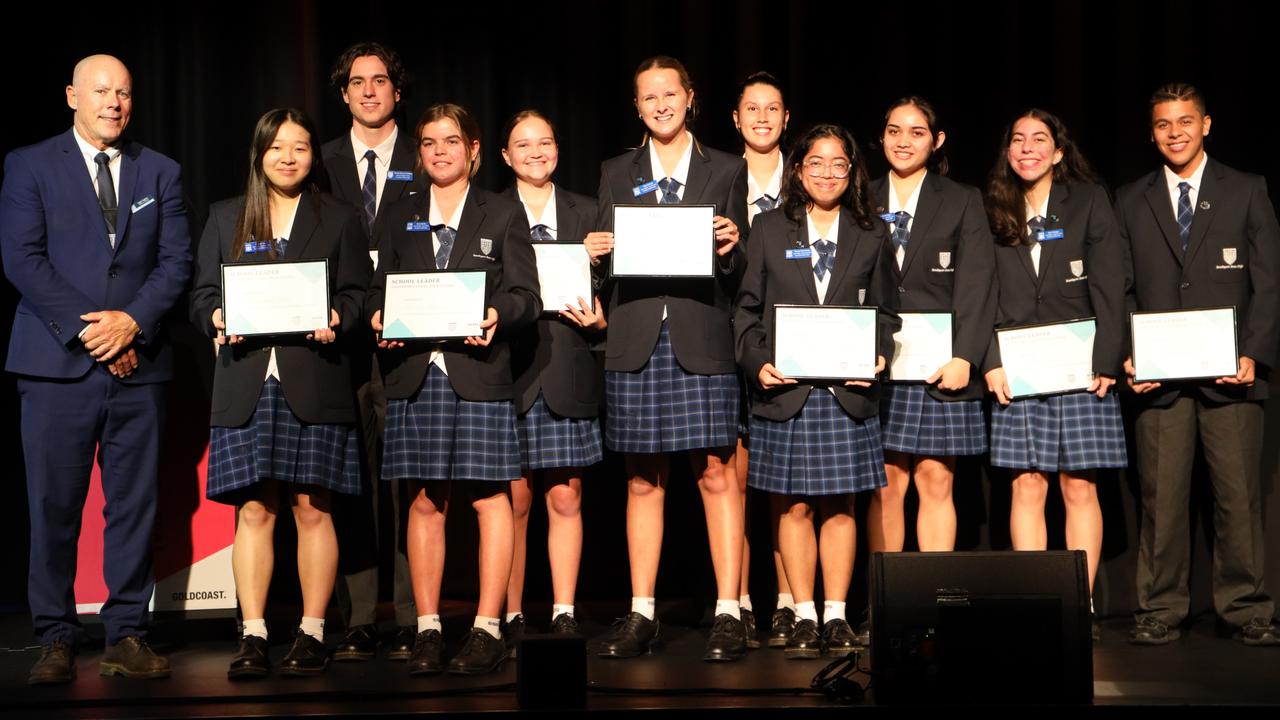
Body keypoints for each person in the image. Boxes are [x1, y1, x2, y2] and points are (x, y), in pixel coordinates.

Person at [2, 54, 190, 685]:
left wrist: (131, 323)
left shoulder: (160, 170)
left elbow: (175, 263)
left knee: (134, 506)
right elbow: (24, 261)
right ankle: (56, 636)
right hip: (56, 367)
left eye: (125, 93)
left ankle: (127, 634)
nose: (115, 102)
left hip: (140, 366)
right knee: (53, 505)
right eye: (102, 91)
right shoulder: (29, 165)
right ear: (72, 97)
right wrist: (97, 331)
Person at [191, 108, 370, 678]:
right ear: (260, 153)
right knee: (253, 509)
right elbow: (199, 296)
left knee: (313, 508)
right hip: (245, 379)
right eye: (277, 148)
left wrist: (337, 315)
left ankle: (313, 631)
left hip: (315, 375)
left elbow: (358, 292)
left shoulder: (338, 217)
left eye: (299, 147)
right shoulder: (225, 216)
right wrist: (217, 314)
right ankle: (253, 633)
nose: (288, 157)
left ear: (313, 157)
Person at [584, 55, 749, 662]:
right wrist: (592, 252)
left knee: (715, 472)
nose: (660, 104)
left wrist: (732, 247)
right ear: (637, 106)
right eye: (648, 96)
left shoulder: (725, 169)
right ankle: (641, 612)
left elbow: (740, 264)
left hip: (699, 337)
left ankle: (729, 610)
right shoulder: (614, 171)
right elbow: (602, 257)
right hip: (635, 339)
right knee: (642, 479)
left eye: (669, 94)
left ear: (690, 97)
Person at [368, 103, 541, 676]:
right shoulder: (401, 213)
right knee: (424, 500)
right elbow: (377, 292)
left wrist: (496, 311)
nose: (439, 151)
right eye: (428, 143)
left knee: (491, 498)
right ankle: (428, 628)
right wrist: (378, 318)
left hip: (479, 372)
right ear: (419, 153)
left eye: (451, 141)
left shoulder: (503, 211)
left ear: (472, 149)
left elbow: (527, 296)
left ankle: (489, 626)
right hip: (417, 374)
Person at [1116, 83, 1280, 646]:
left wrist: (1253, 350)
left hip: (1231, 374)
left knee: (1237, 496)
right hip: (1159, 376)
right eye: (1164, 123)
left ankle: (1248, 608)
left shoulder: (1247, 190)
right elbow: (1122, 287)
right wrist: (1129, 352)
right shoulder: (1130, 198)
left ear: (1206, 124)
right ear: (1151, 131)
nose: (1176, 132)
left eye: (1186, 121)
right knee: (1161, 500)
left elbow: (1269, 281)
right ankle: (1160, 608)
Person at [735, 123, 899, 659]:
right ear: (798, 170)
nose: (827, 173)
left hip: (847, 395)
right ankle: (803, 613)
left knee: (842, 506)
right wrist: (758, 363)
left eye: (839, 164)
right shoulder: (766, 229)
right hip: (787, 393)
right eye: (816, 162)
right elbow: (746, 312)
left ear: (851, 173)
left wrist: (877, 353)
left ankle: (836, 615)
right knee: (795, 509)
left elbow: (887, 313)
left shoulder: (872, 232)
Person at [982, 109, 1127, 634]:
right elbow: (980, 293)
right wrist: (990, 361)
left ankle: (1076, 603)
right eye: (1017, 139)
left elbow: (1112, 284)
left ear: (1059, 152)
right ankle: (1036, 601)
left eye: (1039, 140)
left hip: (1080, 366)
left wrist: (1108, 358)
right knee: (1026, 484)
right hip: (1016, 368)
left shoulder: (1088, 202)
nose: (1026, 148)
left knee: (1079, 486)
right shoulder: (992, 206)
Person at [863, 97, 996, 640]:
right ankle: (886, 605)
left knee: (936, 479)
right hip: (876, 363)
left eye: (917, 132)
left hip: (943, 363)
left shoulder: (962, 200)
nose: (903, 141)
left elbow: (979, 282)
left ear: (936, 141)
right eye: (894, 130)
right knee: (887, 484)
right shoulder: (860, 196)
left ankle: (935, 606)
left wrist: (966, 354)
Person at [320, 40, 419, 663]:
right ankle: (357, 617)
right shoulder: (317, 159)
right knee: (351, 479)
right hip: (341, 344)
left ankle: (414, 614)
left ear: (397, 92)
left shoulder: (430, 151)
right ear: (344, 93)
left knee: (409, 481)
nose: (369, 91)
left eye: (380, 80)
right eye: (357, 82)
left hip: (413, 341)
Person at [500, 109, 604, 650]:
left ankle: (564, 609)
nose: (536, 152)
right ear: (505, 156)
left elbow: (615, 293)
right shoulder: (490, 213)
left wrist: (603, 319)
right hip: (509, 369)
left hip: (568, 365)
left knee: (566, 497)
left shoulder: (589, 212)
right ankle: (512, 611)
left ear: (558, 150)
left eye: (545, 142)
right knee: (513, 500)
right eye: (523, 144)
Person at [732, 71, 795, 649]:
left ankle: (787, 601)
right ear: (735, 118)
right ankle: (743, 599)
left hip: (797, 349)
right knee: (738, 476)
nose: (761, 117)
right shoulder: (718, 179)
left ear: (785, 118)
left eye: (771, 108)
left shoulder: (808, 180)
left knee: (783, 479)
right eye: (751, 108)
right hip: (733, 344)